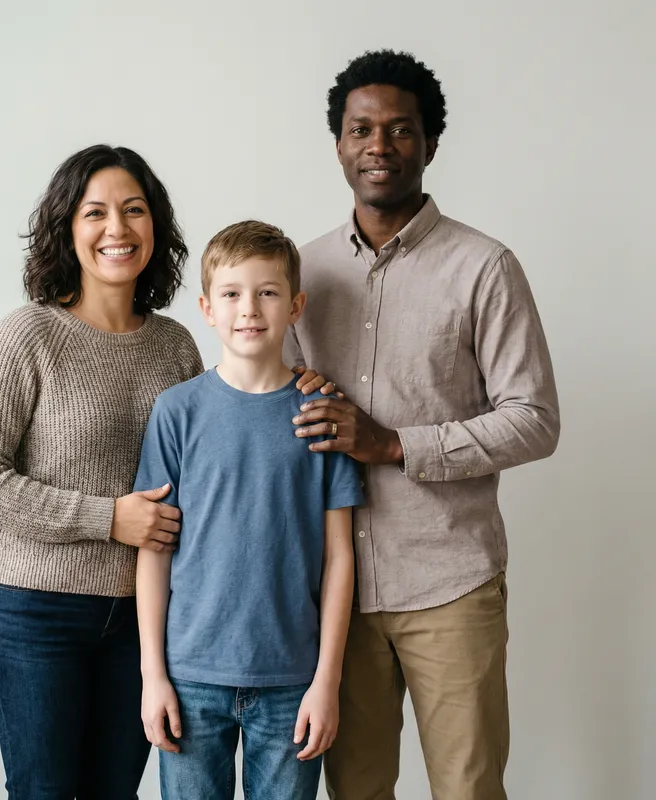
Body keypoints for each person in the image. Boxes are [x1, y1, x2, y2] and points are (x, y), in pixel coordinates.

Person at [0, 144, 332, 800]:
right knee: (42, 791)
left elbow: (222, 447)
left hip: (140, 623)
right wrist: (108, 517)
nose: (117, 229)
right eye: (95, 212)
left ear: (156, 226)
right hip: (35, 614)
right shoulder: (27, 336)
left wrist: (299, 389)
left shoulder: (174, 345)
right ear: (68, 228)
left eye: (134, 210)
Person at [286, 51, 560, 800]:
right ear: (339, 144)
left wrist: (394, 444)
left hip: (451, 582)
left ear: (430, 143)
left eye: (400, 129)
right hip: (335, 593)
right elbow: (270, 417)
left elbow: (534, 419)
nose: (379, 145)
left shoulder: (484, 267)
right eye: (361, 129)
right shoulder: (299, 274)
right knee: (356, 792)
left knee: (468, 790)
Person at [134, 221, 364, 800]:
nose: (250, 308)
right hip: (191, 678)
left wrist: (326, 682)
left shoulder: (322, 414)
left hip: (292, 680)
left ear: (295, 305)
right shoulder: (177, 411)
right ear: (208, 308)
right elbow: (155, 550)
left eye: (268, 292)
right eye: (233, 294)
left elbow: (340, 558)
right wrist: (153, 676)